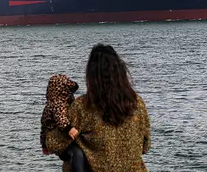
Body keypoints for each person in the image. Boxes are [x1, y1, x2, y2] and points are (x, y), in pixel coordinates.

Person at [45, 44, 151, 172]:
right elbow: (145, 146)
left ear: (91, 75)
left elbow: (53, 143)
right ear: (120, 71)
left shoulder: (83, 107)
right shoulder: (138, 103)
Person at [40, 74, 88, 171]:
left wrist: (43, 144)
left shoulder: (52, 102)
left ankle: (66, 157)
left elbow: (43, 127)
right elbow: (60, 118)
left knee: (75, 153)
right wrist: (69, 129)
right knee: (77, 153)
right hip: (57, 137)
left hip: (52, 138)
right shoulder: (58, 103)